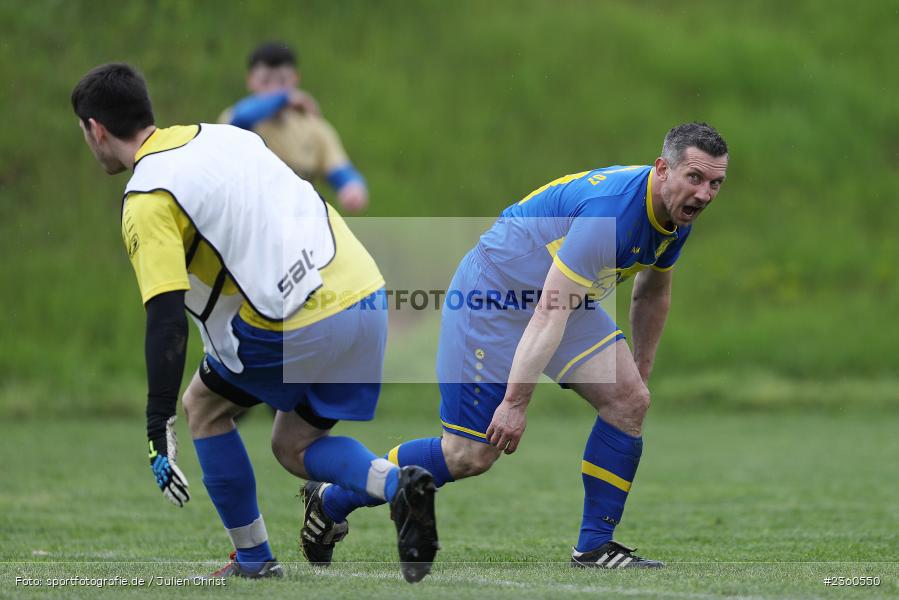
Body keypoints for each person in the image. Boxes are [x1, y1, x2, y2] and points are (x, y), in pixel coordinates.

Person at [70, 63, 438, 583]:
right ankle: (397, 485)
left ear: (96, 128)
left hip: (294, 319)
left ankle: (254, 560)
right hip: (364, 292)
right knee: (294, 445)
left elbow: (165, 316)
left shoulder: (148, 197)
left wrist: (157, 423)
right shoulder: (222, 136)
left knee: (203, 407)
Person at [302, 123, 729, 569]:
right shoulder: (612, 214)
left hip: (558, 296)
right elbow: (548, 312)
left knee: (629, 401)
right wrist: (515, 402)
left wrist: (639, 370)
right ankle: (331, 500)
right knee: (469, 454)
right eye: (694, 178)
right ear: (663, 169)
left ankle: (594, 547)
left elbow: (653, 290)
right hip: (493, 295)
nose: (703, 194)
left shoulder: (677, 214)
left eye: (715, 183)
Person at [218, 41, 369, 214]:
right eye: (265, 81)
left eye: (282, 81)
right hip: (247, 218)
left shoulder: (314, 127)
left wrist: (353, 186)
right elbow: (241, 118)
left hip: (296, 223)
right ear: (250, 80)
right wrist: (284, 97)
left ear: (296, 78)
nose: (274, 88)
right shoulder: (236, 118)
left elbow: (339, 170)